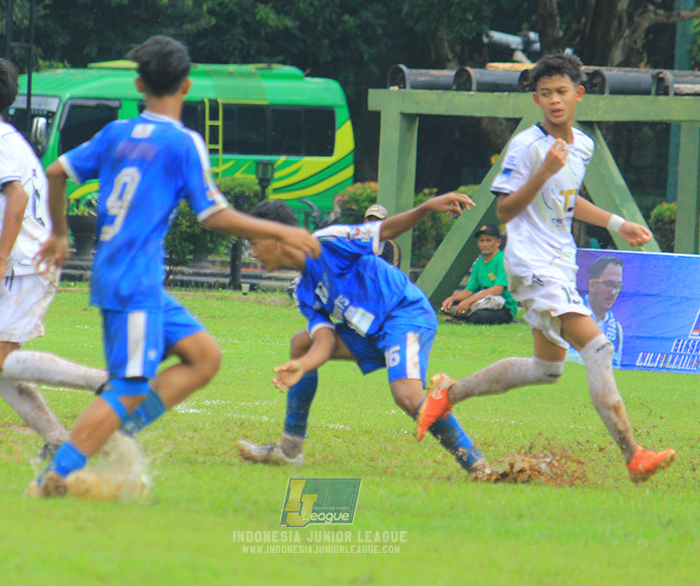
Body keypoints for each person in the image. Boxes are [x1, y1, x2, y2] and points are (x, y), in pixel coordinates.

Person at [28, 35, 320, 497]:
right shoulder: (183, 142)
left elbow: (56, 172)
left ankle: (120, 431)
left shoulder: (116, 133)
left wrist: (59, 234)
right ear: (186, 86)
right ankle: (56, 475)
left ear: (139, 84)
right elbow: (213, 215)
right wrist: (282, 231)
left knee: (205, 357)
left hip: (125, 276)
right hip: (135, 280)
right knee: (127, 386)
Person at [415, 53, 675, 484]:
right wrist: (543, 172)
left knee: (548, 368)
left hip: (558, 261)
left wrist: (617, 223)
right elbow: (504, 210)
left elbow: (568, 200)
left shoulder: (584, 145)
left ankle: (447, 393)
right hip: (531, 264)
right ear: (536, 99)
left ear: (579, 94)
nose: (555, 100)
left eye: (562, 92)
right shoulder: (527, 147)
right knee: (599, 348)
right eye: (546, 94)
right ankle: (634, 454)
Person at [236, 194, 492, 480]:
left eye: (254, 243)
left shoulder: (329, 241)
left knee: (407, 398)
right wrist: (303, 365)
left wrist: (427, 207)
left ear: (276, 238)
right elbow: (324, 342)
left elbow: (386, 230)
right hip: (369, 332)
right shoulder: (303, 292)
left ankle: (477, 465)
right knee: (301, 342)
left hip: (403, 315)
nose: (254, 254)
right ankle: (289, 449)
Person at [0, 50, 108, 460]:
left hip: (25, 262)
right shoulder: (8, 136)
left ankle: (104, 383)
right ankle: (57, 439)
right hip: (29, 259)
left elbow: (17, 196)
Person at [440, 223, 517, 325]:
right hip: (483, 302)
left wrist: (469, 301)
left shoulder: (502, 260)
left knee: (479, 316)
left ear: (498, 242)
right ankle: (461, 317)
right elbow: (469, 290)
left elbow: (498, 289)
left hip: (503, 307)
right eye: (482, 241)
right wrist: (452, 299)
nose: (484, 244)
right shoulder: (478, 264)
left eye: (488, 240)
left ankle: (462, 319)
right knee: (447, 306)